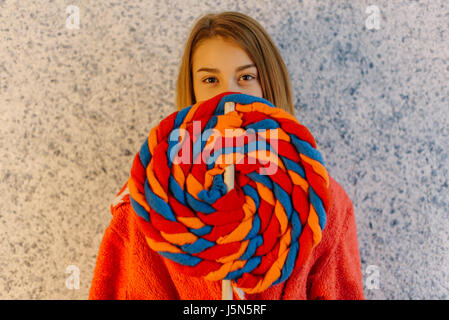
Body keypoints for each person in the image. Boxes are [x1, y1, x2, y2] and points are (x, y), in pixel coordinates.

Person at [89, 11, 365, 300]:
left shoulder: (320, 202)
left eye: (246, 76)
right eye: (210, 79)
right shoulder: (151, 202)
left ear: (268, 84)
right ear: (193, 91)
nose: (229, 95)